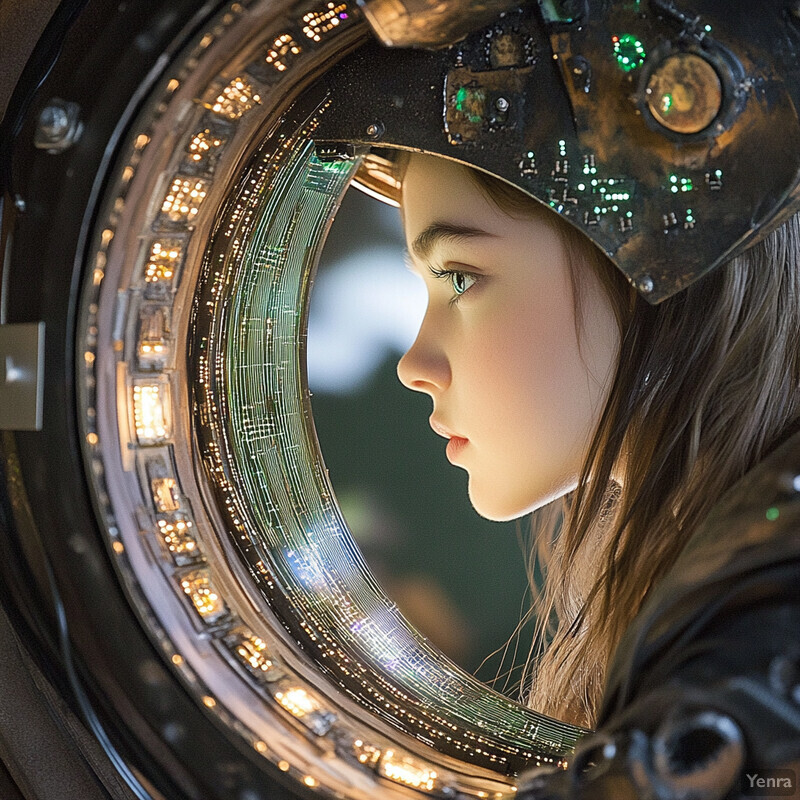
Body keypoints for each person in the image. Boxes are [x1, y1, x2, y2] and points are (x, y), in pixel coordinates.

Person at [392, 151, 800, 792]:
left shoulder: (767, 624)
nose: (413, 363)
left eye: (460, 278)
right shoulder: (729, 589)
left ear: (662, 265)